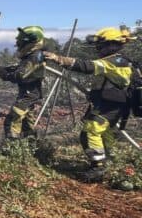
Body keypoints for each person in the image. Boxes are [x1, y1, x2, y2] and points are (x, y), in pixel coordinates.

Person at [44, 27, 137, 181]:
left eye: (101, 45)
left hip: (109, 105)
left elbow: (86, 66)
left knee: (90, 131)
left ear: (111, 45)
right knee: (104, 133)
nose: (98, 49)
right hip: (111, 104)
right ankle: (108, 161)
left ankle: (98, 167)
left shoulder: (114, 61)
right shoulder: (120, 60)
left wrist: (57, 58)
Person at [0, 26, 46, 140]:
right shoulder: (32, 55)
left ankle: (12, 151)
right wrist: (9, 69)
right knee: (27, 126)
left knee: (12, 123)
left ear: (30, 42)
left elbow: (21, 75)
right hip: (28, 94)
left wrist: (4, 74)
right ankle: (34, 147)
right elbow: (23, 69)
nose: (18, 44)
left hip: (29, 95)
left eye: (21, 42)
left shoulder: (35, 56)